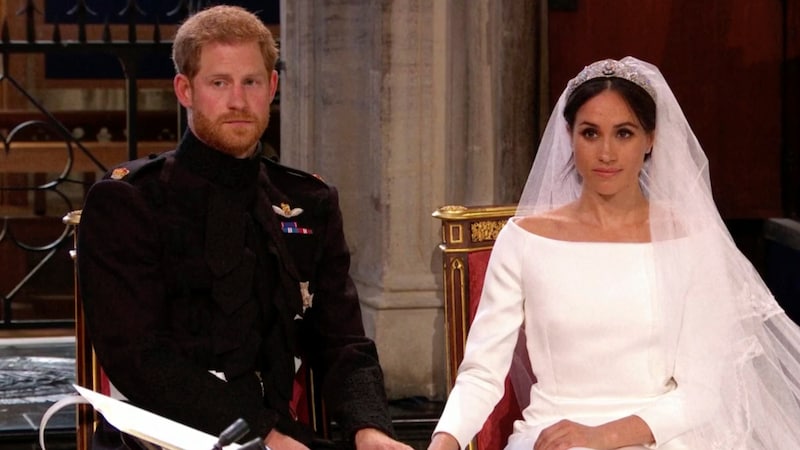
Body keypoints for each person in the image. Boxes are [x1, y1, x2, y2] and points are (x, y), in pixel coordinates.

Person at [77, 5, 412, 450]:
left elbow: (342, 341)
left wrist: (371, 429)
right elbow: (140, 360)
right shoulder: (130, 201)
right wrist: (264, 435)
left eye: (251, 82)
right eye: (219, 83)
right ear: (185, 90)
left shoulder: (308, 202)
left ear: (272, 87)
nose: (238, 100)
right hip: (162, 437)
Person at [428, 57, 800, 450]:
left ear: (651, 138)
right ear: (569, 135)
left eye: (623, 134)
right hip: (551, 438)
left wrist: (600, 435)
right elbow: (482, 374)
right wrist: (444, 440)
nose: (606, 153)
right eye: (591, 133)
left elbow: (702, 392)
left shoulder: (690, 241)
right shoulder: (523, 240)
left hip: (660, 437)